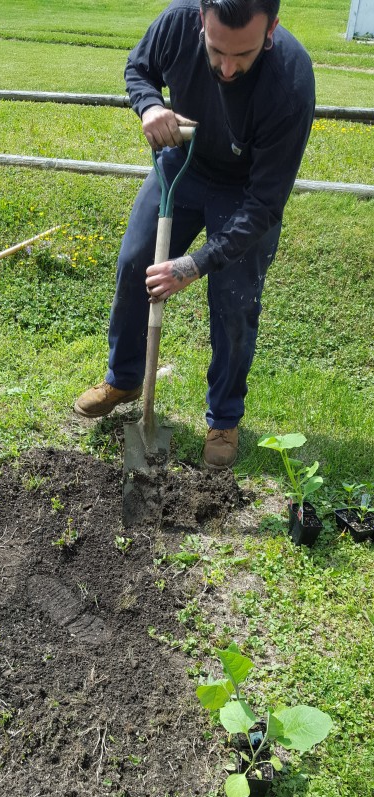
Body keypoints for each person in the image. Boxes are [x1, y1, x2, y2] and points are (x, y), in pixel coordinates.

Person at [73, 0, 315, 468]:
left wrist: (195, 264)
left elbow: (265, 204)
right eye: (217, 49)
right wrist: (149, 106)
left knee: (234, 302)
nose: (227, 68)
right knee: (134, 263)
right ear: (202, 20)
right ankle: (123, 379)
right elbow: (139, 68)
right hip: (181, 163)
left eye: (243, 55)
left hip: (244, 191)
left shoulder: (290, 80)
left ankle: (224, 417)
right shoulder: (176, 22)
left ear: (271, 30)